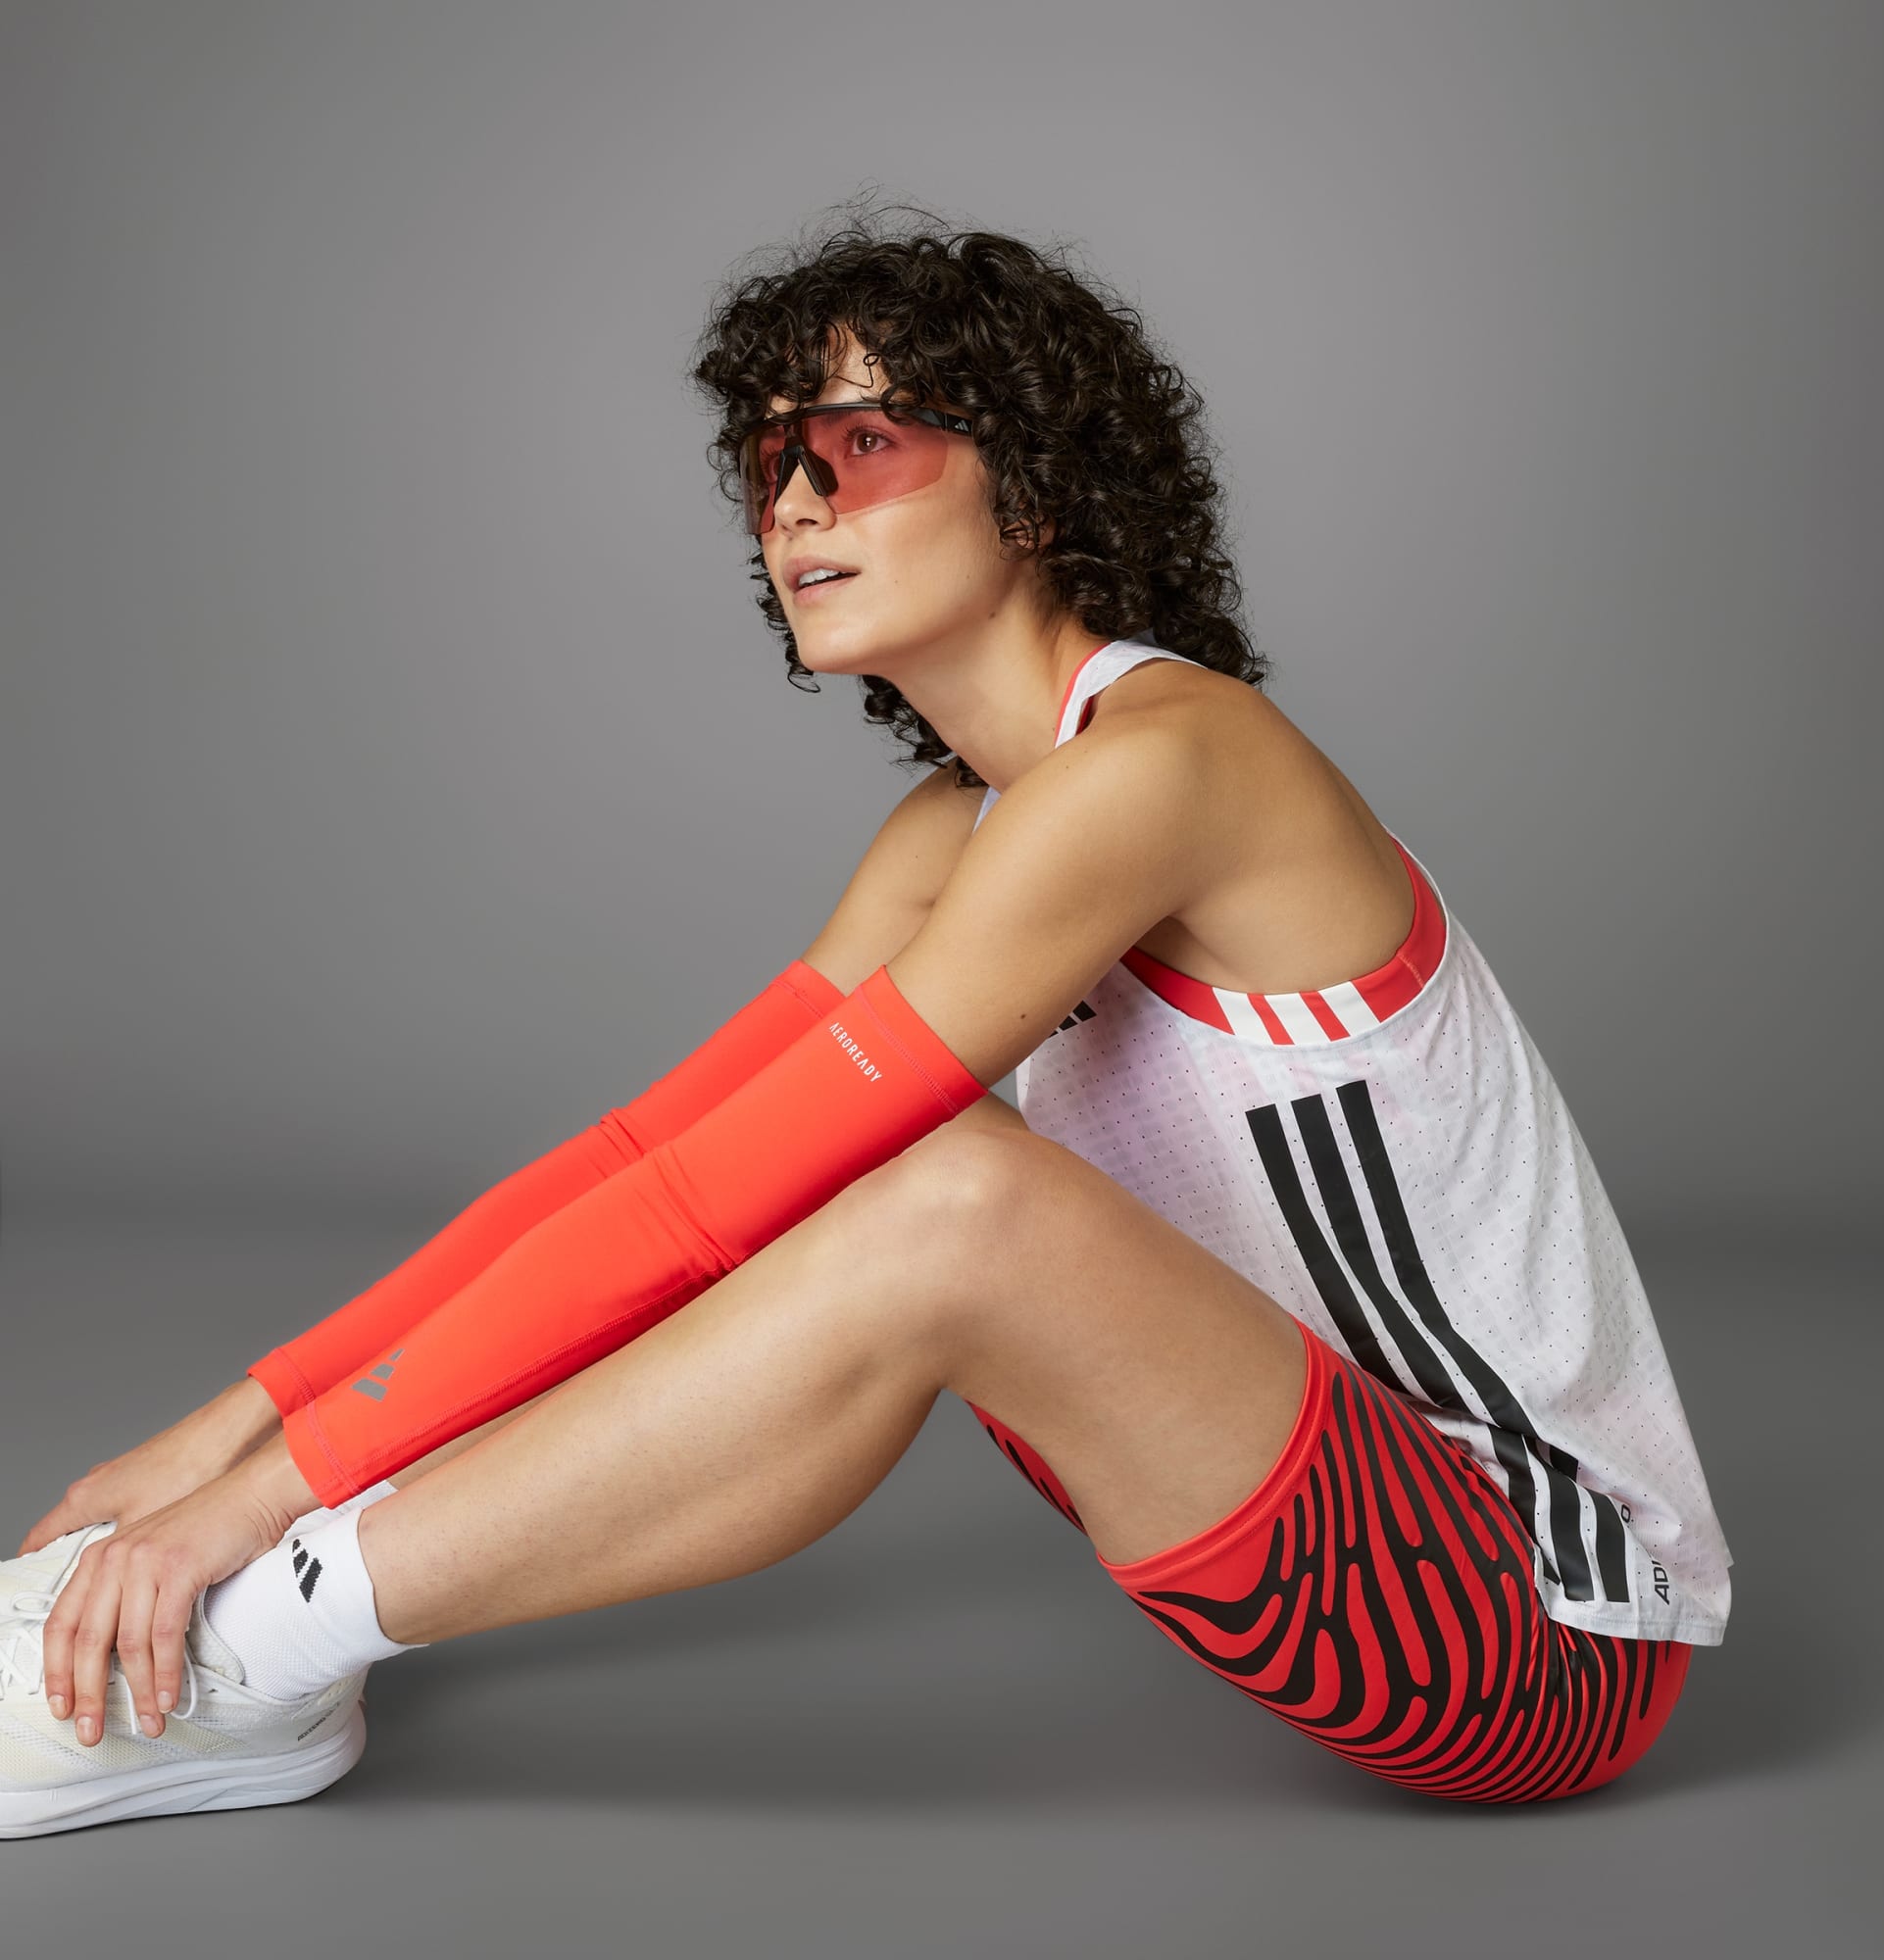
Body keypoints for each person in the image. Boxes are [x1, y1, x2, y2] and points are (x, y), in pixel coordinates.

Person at [0, 214, 1731, 1837]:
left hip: (1531, 1630)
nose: (794, 504)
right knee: (859, 1166)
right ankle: (267, 1614)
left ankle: (242, 1659)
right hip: (1277, 1510)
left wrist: (258, 1503)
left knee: (951, 1197)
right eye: (771, 461)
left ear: (1033, 479)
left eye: (863, 443)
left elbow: (710, 1210)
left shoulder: (1171, 765)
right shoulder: (957, 836)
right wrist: (230, 1433)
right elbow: (651, 1165)